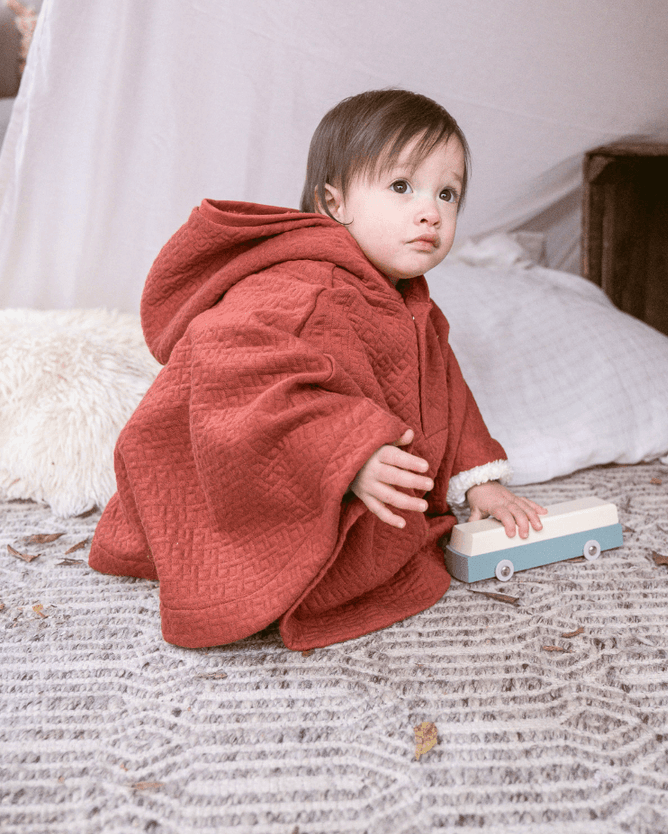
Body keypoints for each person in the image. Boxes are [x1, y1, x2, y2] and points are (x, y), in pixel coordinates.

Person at [89, 89, 545, 650]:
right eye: (402, 186)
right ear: (335, 202)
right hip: (202, 473)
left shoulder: (409, 302)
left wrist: (481, 481)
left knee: (401, 538)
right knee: (318, 561)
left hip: (320, 455)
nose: (430, 211)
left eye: (447, 193)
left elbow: (443, 388)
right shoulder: (303, 284)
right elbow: (229, 367)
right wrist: (346, 450)